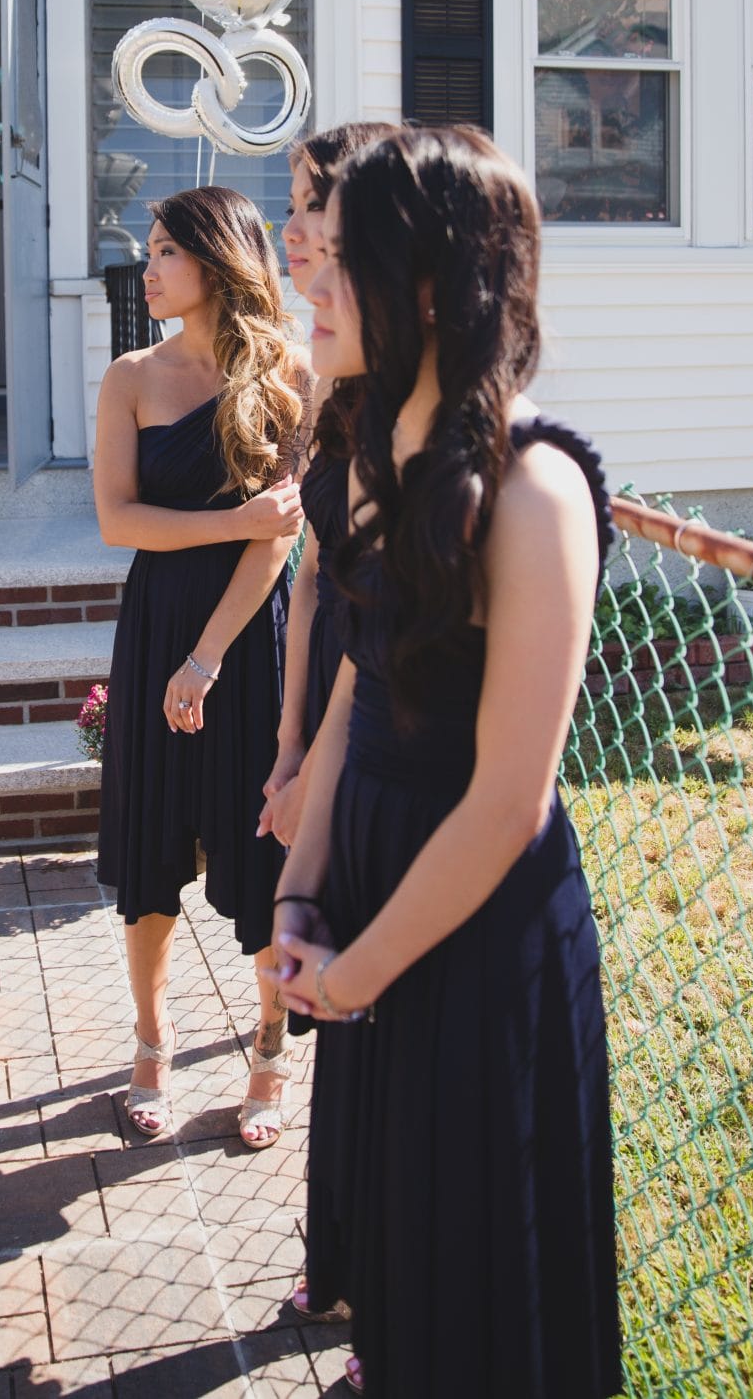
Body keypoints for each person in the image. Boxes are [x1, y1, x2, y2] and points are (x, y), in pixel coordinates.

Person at [265, 127, 621, 1398]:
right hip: (370, 905)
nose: (303, 277)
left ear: (422, 288)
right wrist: (301, 896)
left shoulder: (534, 494)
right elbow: (361, 674)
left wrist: (354, 972)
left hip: (469, 935)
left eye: (336, 255)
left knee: (482, 1281)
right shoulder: (374, 453)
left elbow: (507, 804)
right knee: (401, 1270)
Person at [94, 186, 310, 1150]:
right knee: (150, 845)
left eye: (164, 252)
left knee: (257, 844)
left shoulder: (290, 373)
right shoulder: (130, 378)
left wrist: (209, 659)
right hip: (155, 627)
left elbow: (280, 545)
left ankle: (270, 1047)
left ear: (218, 264)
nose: (147, 269)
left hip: (244, 638)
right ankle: (151, 1041)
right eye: (148, 251)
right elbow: (119, 521)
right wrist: (231, 521)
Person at [258, 123, 394, 861]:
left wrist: (318, 765)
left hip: (380, 717)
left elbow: (380, 623)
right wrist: (290, 741)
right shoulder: (331, 376)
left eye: (312, 204)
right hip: (319, 686)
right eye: (291, 204)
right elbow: (312, 572)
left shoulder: (415, 432)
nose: (291, 228)